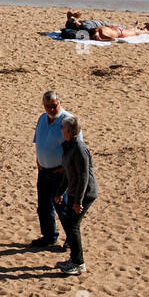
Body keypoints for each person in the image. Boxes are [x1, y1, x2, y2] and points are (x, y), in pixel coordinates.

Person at [29, 91, 77, 249]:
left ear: (60, 103)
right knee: (43, 206)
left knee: (63, 208)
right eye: (47, 106)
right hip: (43, 171)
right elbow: (38, 140)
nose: (50, 109)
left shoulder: (68, 121)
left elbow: (76, 149)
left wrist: (65, 168)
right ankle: (49, 236)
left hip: (60, 174)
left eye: (53, 106)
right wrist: (39, 159)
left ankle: (72, 239)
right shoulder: (42, 119)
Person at [55, 115, 98, 275]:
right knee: (70, 224)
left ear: (69, 131)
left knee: (72, 226)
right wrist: (60, 192)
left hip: (85, 193)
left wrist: (78, 201)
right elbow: (68, 173)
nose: (60, 130)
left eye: (62, 128)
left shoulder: (79, 148)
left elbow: (83, 177)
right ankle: (74, 259)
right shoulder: (68, 146)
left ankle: (78, 263)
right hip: (75, 191)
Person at [62, 11, 149, 41]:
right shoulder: (86, 28)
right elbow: (111, 39)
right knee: (130, 31)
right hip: (108, 26)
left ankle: (137, 27)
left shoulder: (84, 26)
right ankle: (142, 29)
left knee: (129, 30)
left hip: (106, 25)